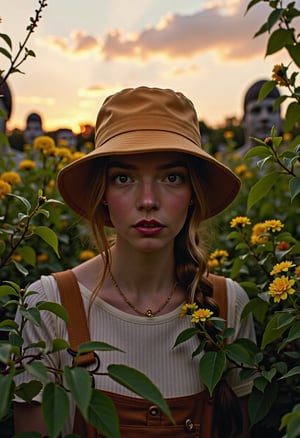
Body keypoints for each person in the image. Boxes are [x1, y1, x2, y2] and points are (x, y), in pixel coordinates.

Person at [13, 86, 256, 437]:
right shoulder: (50, 307)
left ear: (192, 194)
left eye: (171, 177)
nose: (147, 200)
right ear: (104, 195)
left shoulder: (228, 307)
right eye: (123, 178)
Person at [238, 79, 282, 156]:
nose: (264, 117)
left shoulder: (293, 164)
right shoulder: (225, 165)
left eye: (271, 110)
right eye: (256, 110)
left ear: (281, 119)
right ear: (243, 120)